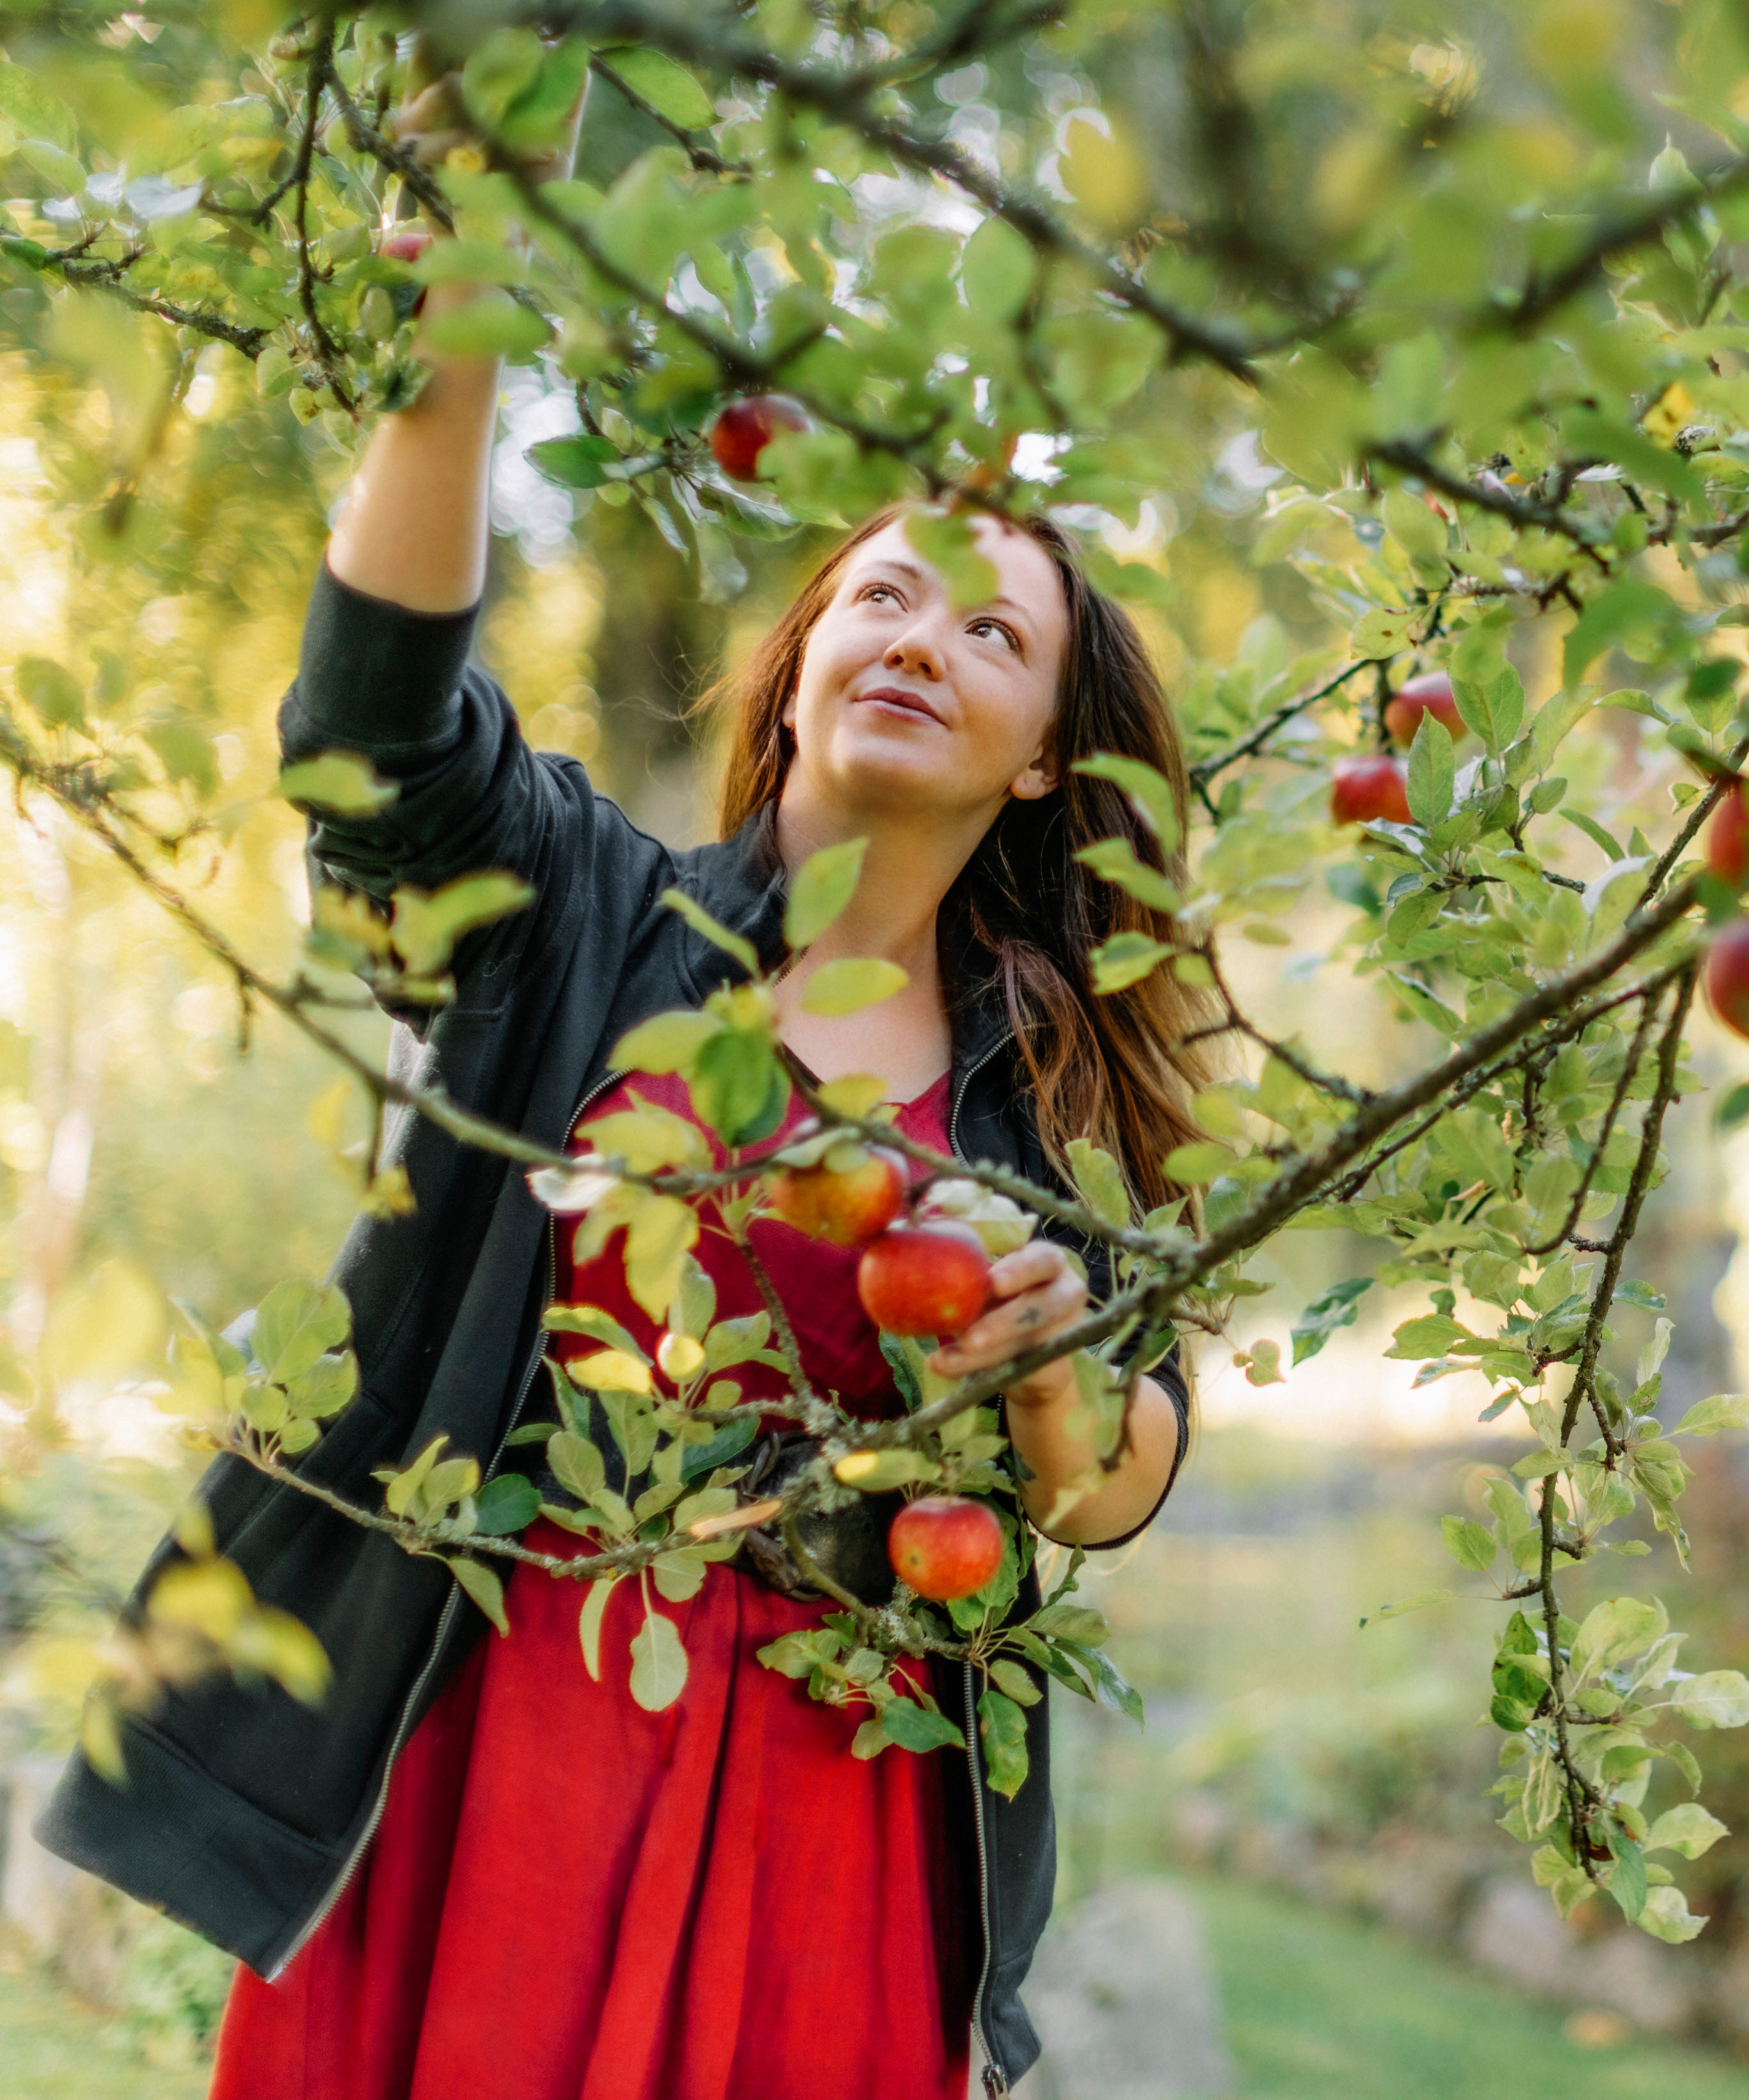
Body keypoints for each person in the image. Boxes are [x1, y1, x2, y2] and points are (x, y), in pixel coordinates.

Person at [37, 65, 1204, 2100]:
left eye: (991, 623)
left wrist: (1050, 1375)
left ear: (1042, 751)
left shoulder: (1051, 1102)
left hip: (841, 1811)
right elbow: (374, 734)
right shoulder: (588, 914)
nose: (921, 630)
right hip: (498, 1743)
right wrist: (463, 325)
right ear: (808, 653)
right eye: (886, 588)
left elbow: (1118, 1478)